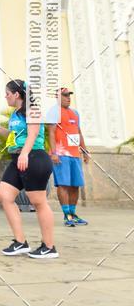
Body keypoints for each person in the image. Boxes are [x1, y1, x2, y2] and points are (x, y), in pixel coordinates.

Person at [0, 80, 58, 259]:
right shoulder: (15, 114)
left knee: (38, 202)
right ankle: (20, 242)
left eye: (7, 93)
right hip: (19, 158)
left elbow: (34, 133)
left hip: (34, 157)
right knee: (5, 196)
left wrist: (25, 154)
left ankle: (49, 247)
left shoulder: (33, 110)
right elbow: (13, 137)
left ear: (17, 94)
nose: (5, 96)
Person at [50, 88, 90, 227]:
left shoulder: (75, 113)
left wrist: (85, 151)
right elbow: (51, 132)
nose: (68, 98)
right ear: (58, 97)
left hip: (74, 154)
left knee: (75, 185)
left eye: (69, 95)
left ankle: (73, 214)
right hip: (61, 154)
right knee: (64, 184)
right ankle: (67, 216)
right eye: (65, 95)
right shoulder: (54, 112)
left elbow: (78, 132)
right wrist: (53, 152)